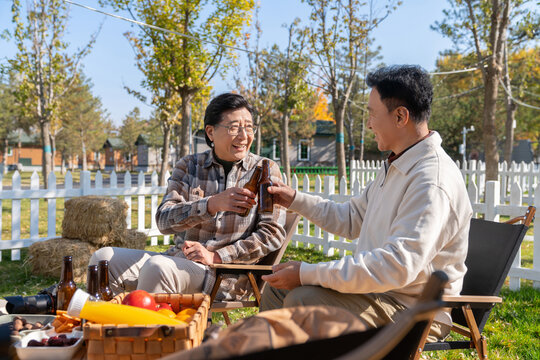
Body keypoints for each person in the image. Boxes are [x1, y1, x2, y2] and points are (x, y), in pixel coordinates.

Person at [259, 65, 472, 342]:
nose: (369, 124)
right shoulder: (399, 164)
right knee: (278, 290)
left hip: (416, 311)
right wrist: (295, 199)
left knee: (305, 298)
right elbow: (350, 218)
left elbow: (398, 265)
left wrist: (309, 273)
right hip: (379, 295)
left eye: (372, 114)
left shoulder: (431, 180)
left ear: (400, 116)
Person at [90, 93, 286, 301]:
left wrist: (216, 256)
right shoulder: (189, 166)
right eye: (234, 127)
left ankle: (147, 331)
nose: (244, 135)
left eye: (249, 127)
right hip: (179, 259)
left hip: (224, 275)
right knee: (102, 259)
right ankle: (105, 326)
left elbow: (271, 234)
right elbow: (164, 221)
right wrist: (211, 204)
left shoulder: (265, 170)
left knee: (157, 268)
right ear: (210, 132)